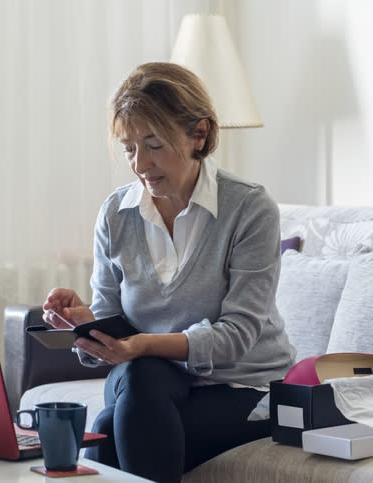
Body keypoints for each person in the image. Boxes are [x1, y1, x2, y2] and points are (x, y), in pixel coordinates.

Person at [42, 62, 295, 483]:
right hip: (143, 379)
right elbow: (111, 322)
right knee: (142, 381)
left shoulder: (249, 208)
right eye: (128, 148)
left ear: (199, 134)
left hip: (239, 385)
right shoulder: (116, 214)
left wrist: (141, 345)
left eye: (154, 144)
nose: (140, 164)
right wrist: (85, 324)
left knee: (107, 431)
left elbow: (238, 336)